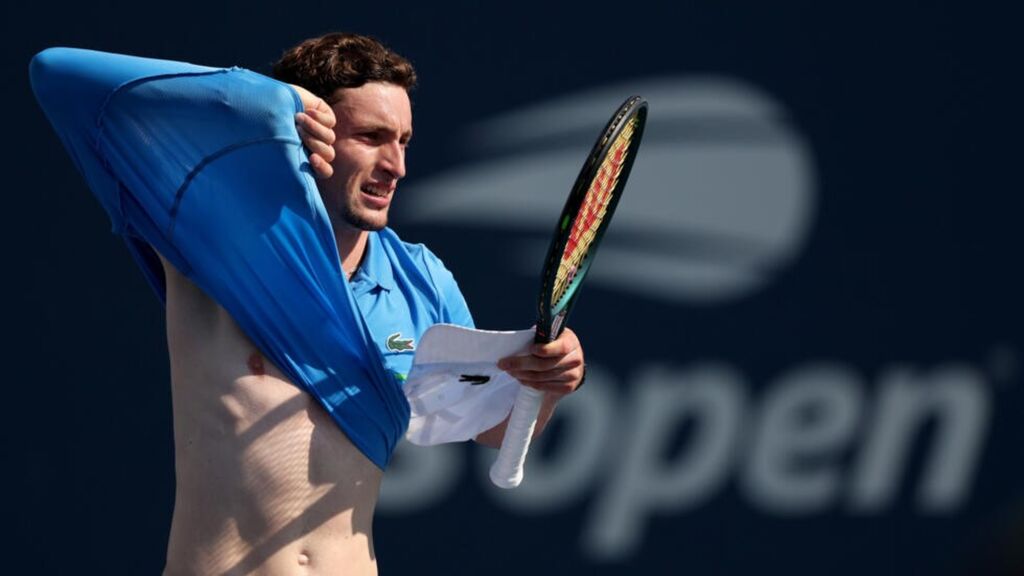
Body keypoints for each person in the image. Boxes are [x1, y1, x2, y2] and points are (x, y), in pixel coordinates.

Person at [31, 32, 584, 575]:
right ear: (312, 128)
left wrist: (549, 382)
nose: (396, 165)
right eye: (371, 137)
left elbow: (492, 426)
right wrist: (269, 99)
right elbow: (55, 72)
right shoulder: (205, 222)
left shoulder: (424, 281)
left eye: (403, 141)